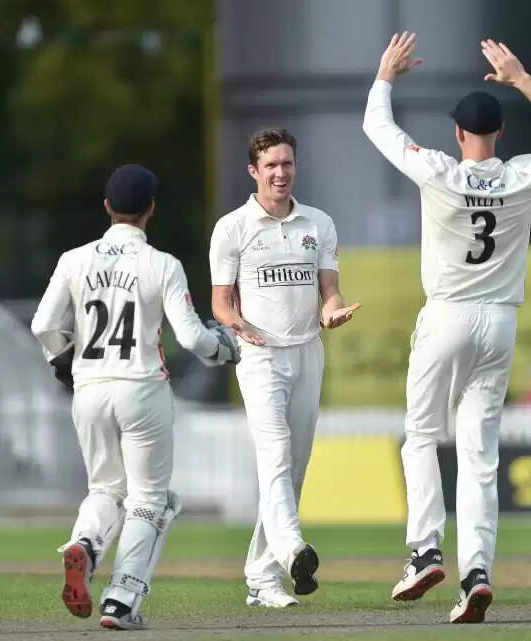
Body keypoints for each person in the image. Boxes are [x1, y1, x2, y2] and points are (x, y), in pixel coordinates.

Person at [363, 33, 531, 622]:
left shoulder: (438, 171)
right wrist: (523, 80)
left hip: (447, 315)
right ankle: (477, 573)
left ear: (458, 134)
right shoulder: (522, 176)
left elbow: (376, 127)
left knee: (420, 435)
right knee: (479, 456)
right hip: (500, 323)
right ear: (500, 133)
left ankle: (425, 551)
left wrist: (386, 76)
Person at [31, 164, 241, 631]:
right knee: (150, 500)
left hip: (89, 390)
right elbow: (192, 337)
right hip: (142, 389)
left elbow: (42, 324)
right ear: (151, 209)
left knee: (105, 489)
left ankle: (85, 544)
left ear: (107, 206)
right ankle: (121, 601)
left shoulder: (73, 259)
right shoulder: (162, 264)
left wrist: (64, 362)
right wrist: (224, 349)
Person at [209, 128, 360, 608]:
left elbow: (329, 289)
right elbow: (220, 302)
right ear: (253, 171)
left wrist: (331, 311)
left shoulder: (319, 223)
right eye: (271, 165)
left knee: (293, 468)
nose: (280, 173)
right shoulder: (232, 227)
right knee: (274, 456)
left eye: (287, 164)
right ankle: (294, 549)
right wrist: (238, 325)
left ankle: (261, 577)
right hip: (259, 356)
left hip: (308, 352)